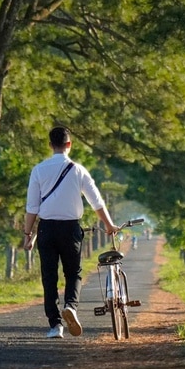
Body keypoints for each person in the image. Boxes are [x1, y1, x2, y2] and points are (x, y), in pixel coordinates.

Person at [22, 126, 118, 339]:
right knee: (73, 272)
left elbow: (32, 207)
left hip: (46, 228)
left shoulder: (38, 170)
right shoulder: (79, 170)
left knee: (49, 277)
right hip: (70, 228)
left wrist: (27, 235)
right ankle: (71, 307)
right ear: (69, 145)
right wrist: (109, 226)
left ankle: (55, 325)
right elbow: (96, 202)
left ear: (50, 145)